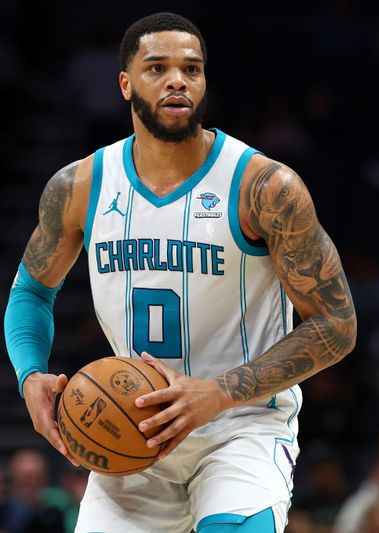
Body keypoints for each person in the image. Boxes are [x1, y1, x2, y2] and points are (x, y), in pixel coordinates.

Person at [3, 12, 357, 533]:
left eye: (192, 69)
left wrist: (216, 393)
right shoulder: (79, 186)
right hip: (133, 424)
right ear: (124, 84)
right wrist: (31, 375)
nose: (177, 80)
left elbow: (337, 324)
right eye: (157, 67)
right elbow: (31, 291)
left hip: (242, 424)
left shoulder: (264, 187)